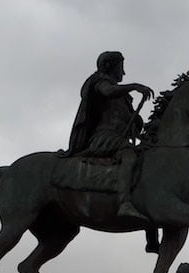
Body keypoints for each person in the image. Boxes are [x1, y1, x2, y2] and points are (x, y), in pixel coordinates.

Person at [63, 50, 154, 227]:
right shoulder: (99, 83)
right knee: (129, 155)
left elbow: (127, 122)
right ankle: (124, 203)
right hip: (103, 137)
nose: (123, 73)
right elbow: (109, 91)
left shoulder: (122, 97)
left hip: (117, 138)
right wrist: (134, 86)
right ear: (110, 67)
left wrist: (136, 122)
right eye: (121, 67)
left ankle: (150, 227)